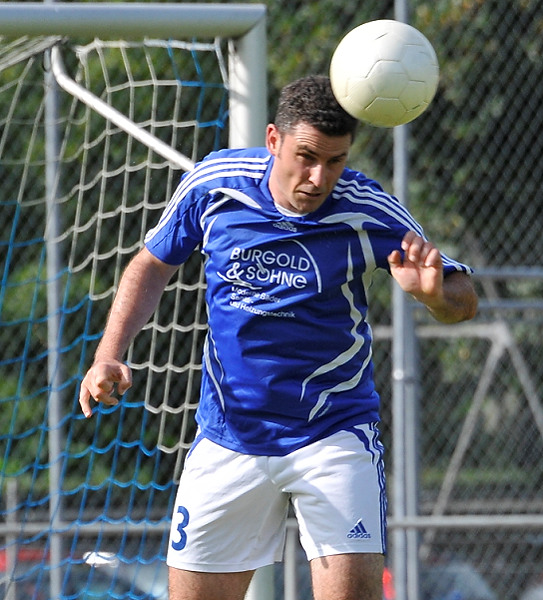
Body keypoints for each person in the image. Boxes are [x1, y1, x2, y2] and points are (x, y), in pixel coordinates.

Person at [79, 75, 478, 600]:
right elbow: (152, 263)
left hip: (333, 434)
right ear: (273, 139)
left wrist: (433, 297)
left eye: (335, 161)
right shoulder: (215, 184)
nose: (318, 177)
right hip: (230, 434)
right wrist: (109, 354)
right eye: (306, 157)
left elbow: (463, 296)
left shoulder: (367, 207)